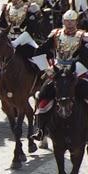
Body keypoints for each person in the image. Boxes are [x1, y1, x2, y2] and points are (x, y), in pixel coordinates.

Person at [31, 9, 88, 140]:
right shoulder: (56, 34)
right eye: (67, 21)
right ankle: (41, 129)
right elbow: (40, 51)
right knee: (41, 95)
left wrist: (79, 69)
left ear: (76, 22)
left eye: (72, 21)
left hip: (75, 72)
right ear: (63, 21)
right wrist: (47, 69)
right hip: (57, 72)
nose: (69, 24)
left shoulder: (83, 36)